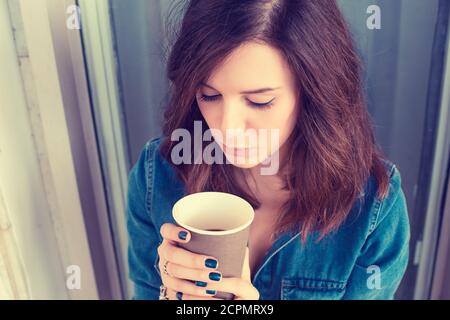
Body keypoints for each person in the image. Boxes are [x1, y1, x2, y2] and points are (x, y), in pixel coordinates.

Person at [126, 0, 410, 300]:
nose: (228, 128)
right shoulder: (157, 176)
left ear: (313, 91)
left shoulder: (374, 208)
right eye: (209, 95)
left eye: (259, 101)